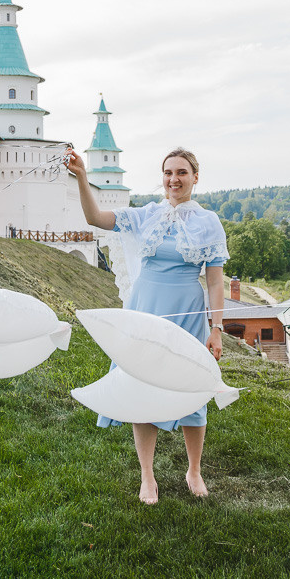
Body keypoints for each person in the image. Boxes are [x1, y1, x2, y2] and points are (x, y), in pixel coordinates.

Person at [65, 146, 228, 505]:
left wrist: (216, 328)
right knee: (142, 384)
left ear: (195, 177)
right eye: (168, 173)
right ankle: (148, 477)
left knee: (191, 387)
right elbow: (95, 218)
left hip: (186, 311)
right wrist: (81, 177)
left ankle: (194, 470)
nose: (174, 179)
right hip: (145, 307)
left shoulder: (209, 222)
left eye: (182, 172)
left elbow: (215, 282)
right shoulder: (146, 215)